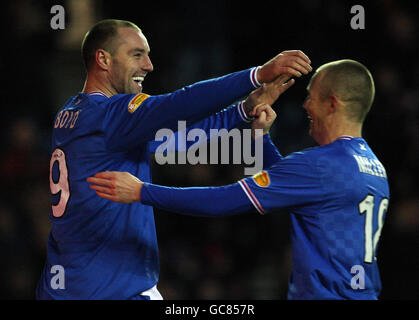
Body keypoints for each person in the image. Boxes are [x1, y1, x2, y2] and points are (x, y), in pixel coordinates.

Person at [36, 18, 312, 300]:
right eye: (137, 54)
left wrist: (244, 110)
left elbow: (178, 139)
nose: (149, 65)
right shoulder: (109, 116)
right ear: (103, 59)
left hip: (64, 287)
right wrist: (257, 74)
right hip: (110, 289)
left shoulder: (72, 113)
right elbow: (180, 103)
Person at [88, 59, 390, 300]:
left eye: (310, 97)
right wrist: (260, 137)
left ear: (332, 104)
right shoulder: (373, 168)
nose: (304, 106)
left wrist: (142, 191)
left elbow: (224, 201)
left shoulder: (321, 165)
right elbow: (296, 185)